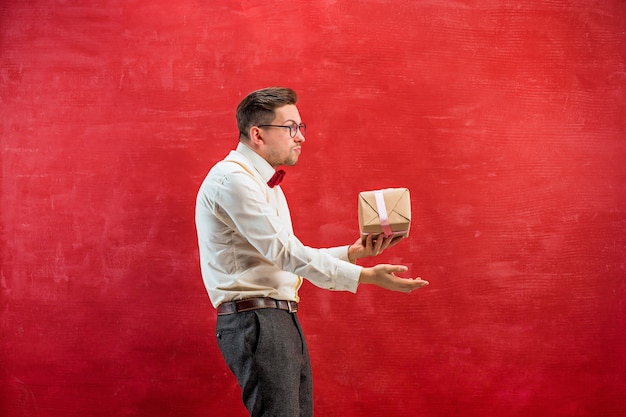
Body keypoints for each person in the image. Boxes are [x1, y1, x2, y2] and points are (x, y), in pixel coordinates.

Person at [195, 87, 429, 417]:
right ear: (257, 134)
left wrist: (352, 253)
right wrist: (364, 277)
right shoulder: (233, 180)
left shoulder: (263, 184)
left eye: (300, 128)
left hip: (277, 317)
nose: (300, 137)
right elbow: (286, 254)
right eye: (290, 127)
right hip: (257, 321)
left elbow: (286, 261)